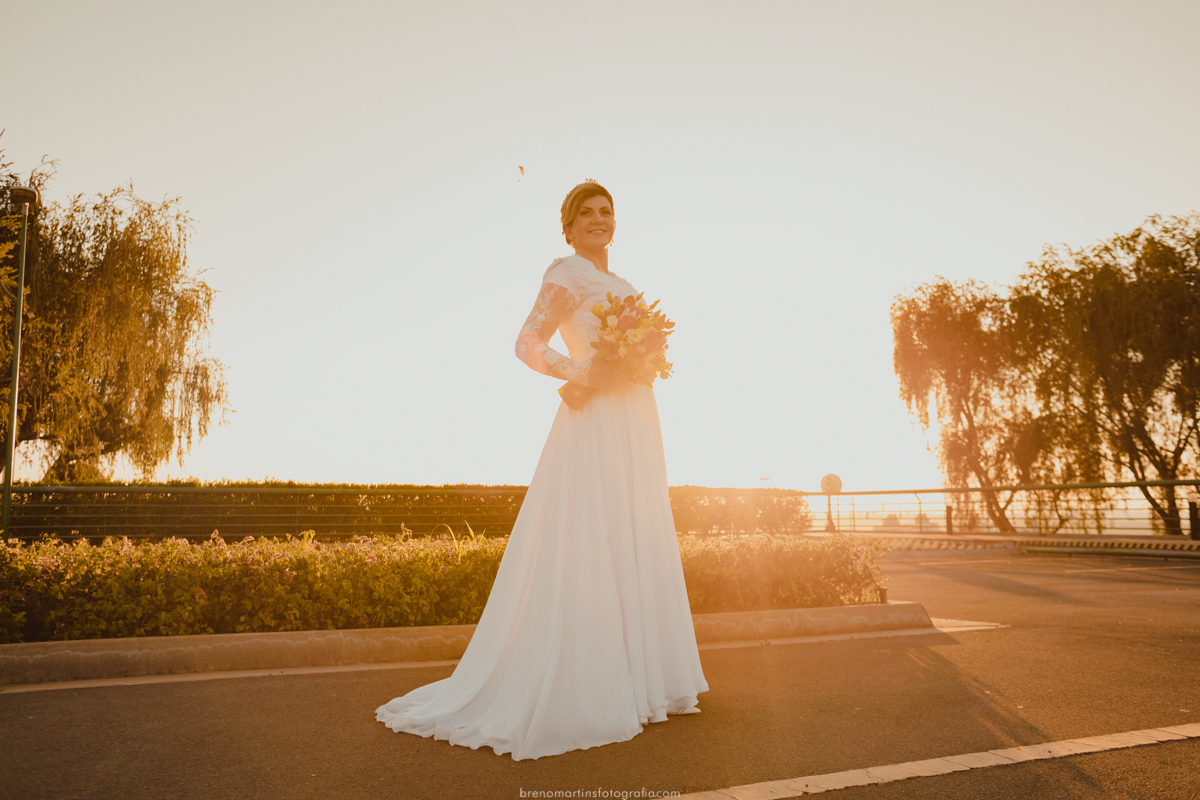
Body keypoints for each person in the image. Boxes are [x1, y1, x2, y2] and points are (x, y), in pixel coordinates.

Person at [375, 180, 708, 760]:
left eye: (608, 212)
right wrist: (581, 373)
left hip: (635, 419)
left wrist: (644, 359)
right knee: (592, 536)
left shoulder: (625, 287)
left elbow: (642, 355)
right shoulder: (566, 273)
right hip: (595, 420)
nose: (600, 220)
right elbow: (526, 342)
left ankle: (647, 684)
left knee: (637, 533)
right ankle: (592, 683)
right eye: (588, 214)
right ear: (569, 227)